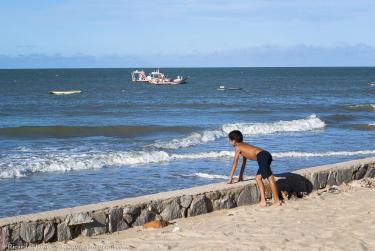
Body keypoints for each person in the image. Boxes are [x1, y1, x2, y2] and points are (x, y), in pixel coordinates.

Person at [227, 130, 281, 207]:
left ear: (234, 141)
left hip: (262, 156)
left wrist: (230, 178)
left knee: (270, 178)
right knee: (258, 178)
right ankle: (263, 201)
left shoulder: (238, 147)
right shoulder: (244, 145)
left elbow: (235, 163)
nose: (229, 142)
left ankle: (276, 201)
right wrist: (240, 177)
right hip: (266, 154)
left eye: (229, 140)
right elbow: (243, 163)